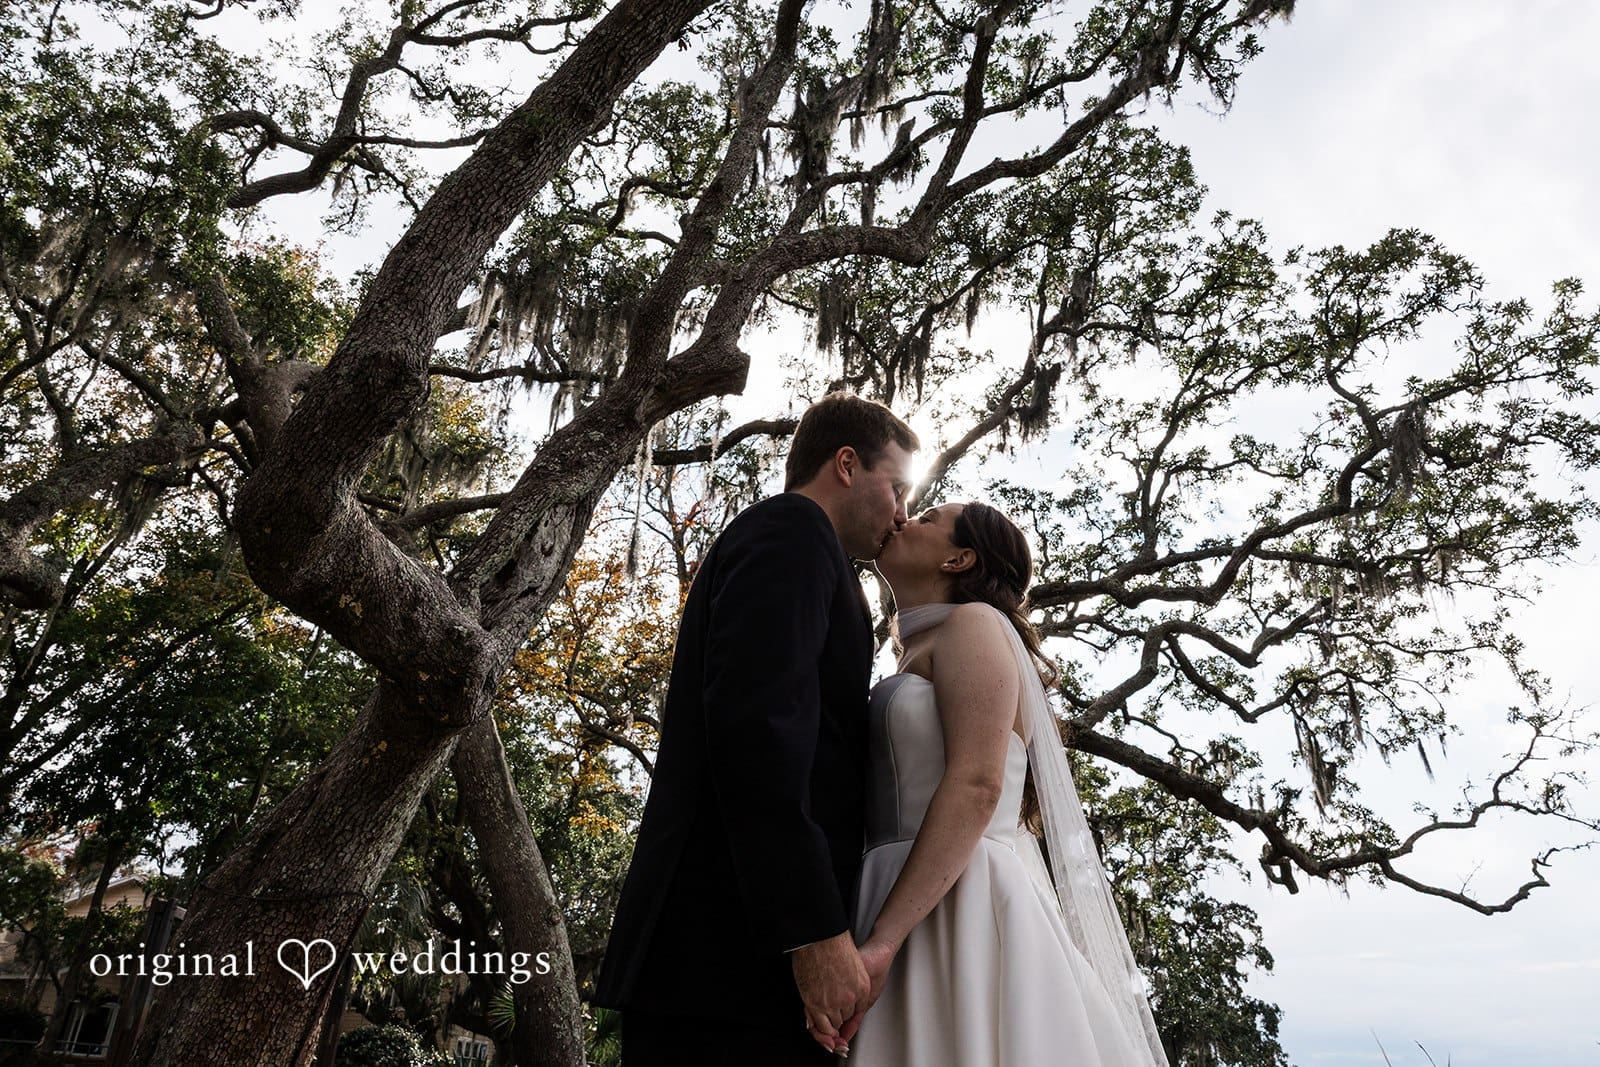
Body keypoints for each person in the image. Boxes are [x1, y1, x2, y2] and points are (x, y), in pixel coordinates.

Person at [594, 392, 919, 1065]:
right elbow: (757, 730)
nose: (903, 513)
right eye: (898, 488)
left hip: (739, 970)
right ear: (848, 464)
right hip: (721, 961)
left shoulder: (808, 553)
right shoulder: (791, 532)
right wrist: (813, 932)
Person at [840, 501, 1170, 1066]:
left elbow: (977, 785)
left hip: (959, 900)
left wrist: (883, 943)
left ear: (959, 558)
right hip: (897, 887)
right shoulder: (913, 651)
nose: (901, 519)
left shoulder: (973, 625)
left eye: (927, 518)